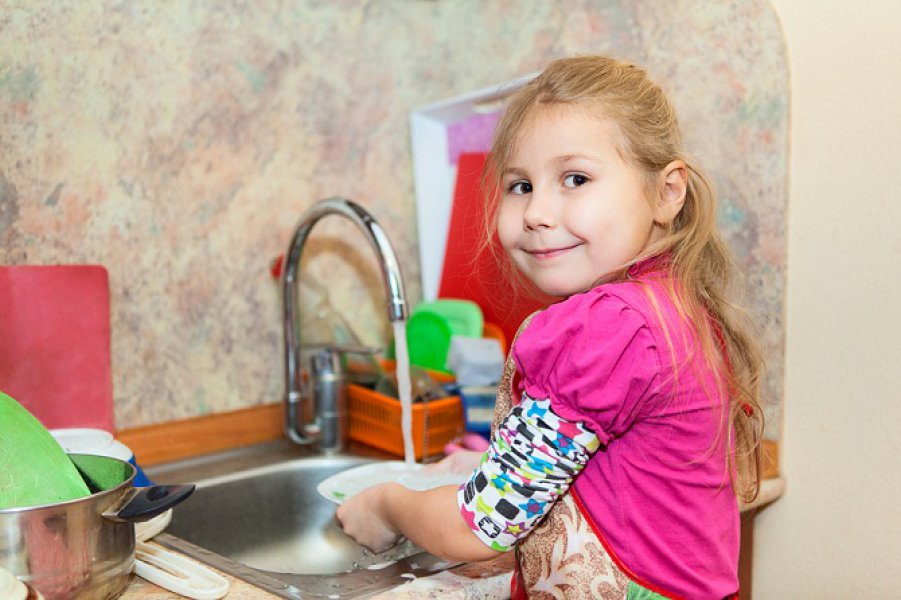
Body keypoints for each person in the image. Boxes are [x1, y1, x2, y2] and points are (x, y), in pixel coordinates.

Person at [336, 55, 765, 600]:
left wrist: (389, 504)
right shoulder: (669, 305)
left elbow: (484, 525)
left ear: (667, 192)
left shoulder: (605, 328)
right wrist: (493, 458)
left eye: (575, 179)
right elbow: (612, 466)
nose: (537, 211)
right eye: (520, 185)